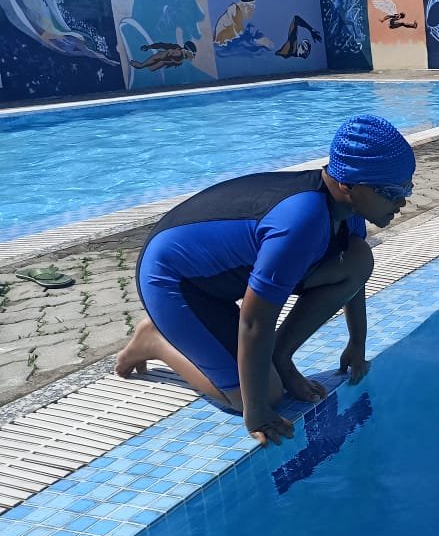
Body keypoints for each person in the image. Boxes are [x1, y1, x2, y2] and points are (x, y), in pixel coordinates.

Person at [115, 115, 416, 446]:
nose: (402, 202)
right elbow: (254, 321)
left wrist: (357, 342)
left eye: (407, 188)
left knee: (358, 257)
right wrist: (256, 410)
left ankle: (280, 357)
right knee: (261, 394)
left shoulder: (348, 212)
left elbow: (354, 280)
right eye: (392, 192)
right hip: (174, 281)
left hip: (220, 277)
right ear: (349, 184)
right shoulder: (301, 223)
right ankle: (154, 340)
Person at [129, 41, 197, 71]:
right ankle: (130, 62)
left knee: (147, 67)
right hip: (158, 58)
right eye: (193, 54)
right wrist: (148, 47)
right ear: (188, 51)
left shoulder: (182, 57)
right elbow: (163, 45)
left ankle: (131, 62)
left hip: (159, 62)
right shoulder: (178, 51)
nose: (194, 56)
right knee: (141, 66)